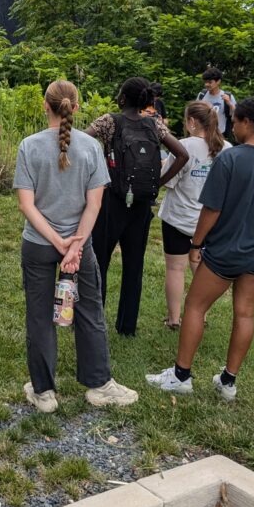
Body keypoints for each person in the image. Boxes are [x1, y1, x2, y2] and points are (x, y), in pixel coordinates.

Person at [146, 98, 254, 401]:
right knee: (245, 314)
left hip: (227, 249)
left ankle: (181, 375)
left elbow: (211, 209)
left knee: (196, 307)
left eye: (237, 121)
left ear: (248, 123)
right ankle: (228, 381)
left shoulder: (231, 159)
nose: (234, 127)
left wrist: (196, 244)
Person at [15, 80, 139, 412]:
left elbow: (27, 205)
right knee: (90, 312)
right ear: (76, 108)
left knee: (39, 316)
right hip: (80, 246)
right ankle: (99, 384)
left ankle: (44, 393)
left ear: (46, 106)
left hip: (39, 243)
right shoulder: (91, 147)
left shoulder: (29, 145)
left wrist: (57, 241)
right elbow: (94, 205)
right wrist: (74, 246)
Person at [85, 77, 188, 335]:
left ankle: (95, 319)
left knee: (100, 261)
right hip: (142, 202)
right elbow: (183, 154)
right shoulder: (155, 125)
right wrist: (158, 183)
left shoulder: (109, 121)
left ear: (122, 98)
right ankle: (127, 326)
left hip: (112, 199)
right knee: (134, 265)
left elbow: (83, 141)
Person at [157, 102, 230, 330]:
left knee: (175, 269)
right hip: (209, 222)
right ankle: (201, 314)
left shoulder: (183, 146)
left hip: (178, 218)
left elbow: (167, 181)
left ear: (192, 122)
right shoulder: (227, 148)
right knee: (201, 268)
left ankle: (174, 318)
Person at [197, 66, 236, 136]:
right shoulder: (201, 95)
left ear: (218, 81)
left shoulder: (228, 96)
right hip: (203, 134)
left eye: (210, 82)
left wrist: (229, 104)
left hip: (220, 134)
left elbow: (236, 116)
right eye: (205, 82)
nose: (206, 84)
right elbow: (195, 114)